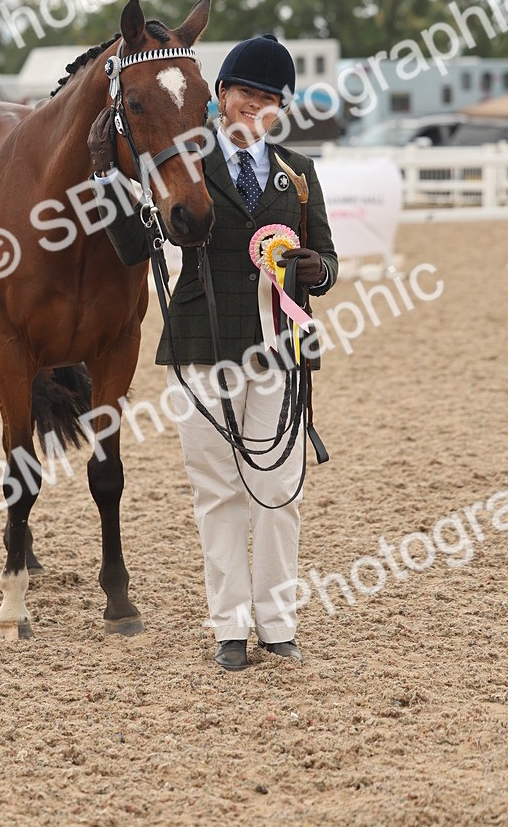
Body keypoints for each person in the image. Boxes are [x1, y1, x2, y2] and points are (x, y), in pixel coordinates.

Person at [88, 33, 338, 672]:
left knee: (278, 489)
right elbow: (132, 246)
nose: (255, 107)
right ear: (220, 96)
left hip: (279, 347)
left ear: (281, 109)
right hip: (202, 345)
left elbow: (327, 257)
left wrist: (318, 270)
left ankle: (277, 623)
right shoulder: (183, 163)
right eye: (245, 94)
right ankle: (229, 625)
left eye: (269, 100)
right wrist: (104, 175)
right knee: (218, 490)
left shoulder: (297, 174)